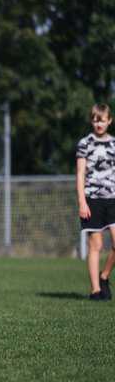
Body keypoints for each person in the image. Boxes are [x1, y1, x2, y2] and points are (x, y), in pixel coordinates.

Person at [76, 103, 115, 301]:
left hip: (112, 199)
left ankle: (104, 275)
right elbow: (81, 173)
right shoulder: (85, 143)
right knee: (96, 245)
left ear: (109, 120)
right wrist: (82, 202)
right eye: (95, 119)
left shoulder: (114, 144)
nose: (98, 123)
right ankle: (95, 290)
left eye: (102, 119)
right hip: (92, 199)